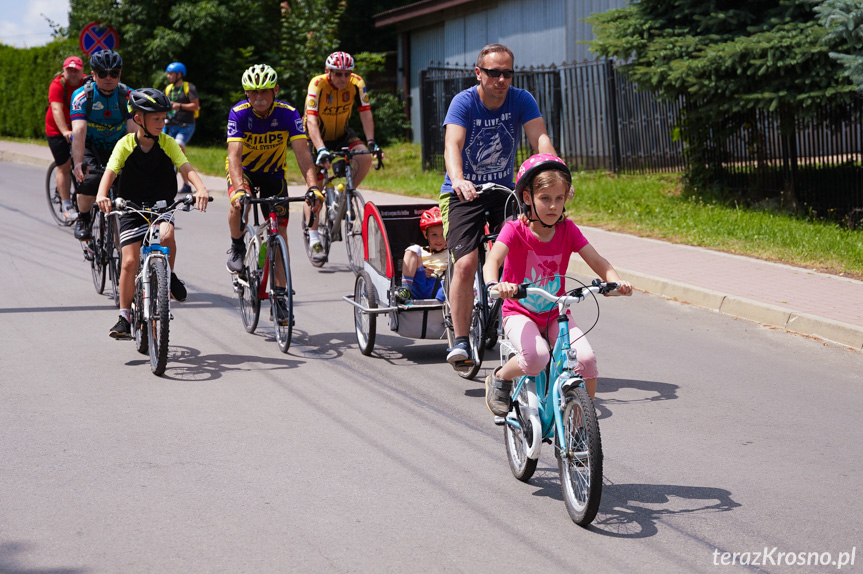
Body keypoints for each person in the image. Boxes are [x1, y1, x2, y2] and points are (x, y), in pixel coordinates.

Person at [482, 154, 632, 416]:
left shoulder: (568, 230)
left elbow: (597, 261)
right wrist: (495, 284)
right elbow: (492, 260)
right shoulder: (515, 230)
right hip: (519, 311)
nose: (553, 206)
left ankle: (581, 423)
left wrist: (614, 282)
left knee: (585, 360)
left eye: (559, 198)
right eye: (545, 199)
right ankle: (501, 377)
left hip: (556, 312)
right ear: (527, 199)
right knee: (537, 358)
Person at [440, 43, 556, 371]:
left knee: (524, 255)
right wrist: (460, 179)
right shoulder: (463, 102)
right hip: (463, 193)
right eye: (493, 73)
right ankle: (461, 339)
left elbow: (540, 138)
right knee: (465, 263)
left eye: (507, 73)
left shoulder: (521, 99)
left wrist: (554, 169)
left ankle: (523, 327)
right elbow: (453, 144)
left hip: (504, 191)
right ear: (479, 73)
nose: (501, 79)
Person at [95, 88, 209, 339]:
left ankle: (167, 276)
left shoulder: (168, 143)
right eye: (156, 118)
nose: (161, 122)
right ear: (139, 119)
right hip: (131, 208)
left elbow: (186, 168)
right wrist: (102, 194)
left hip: (160, 207)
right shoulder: (125, 144)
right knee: (128, 261)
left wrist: (200, 188)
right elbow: (111, 172)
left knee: (167, 236)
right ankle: (124, 316)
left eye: (163, 117)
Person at [224, 64, 322, 308]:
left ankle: (280, 294)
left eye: (265, 92)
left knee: (279, 232)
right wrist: (238, 189)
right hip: (243, 173)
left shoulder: (288, 113)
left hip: (273, 174)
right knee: (239, 204)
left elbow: (302, 153)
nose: (259, 98)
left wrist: (312, 187)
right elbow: (234, 156)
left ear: (275, 90)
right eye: (253, 92)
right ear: (246, 93)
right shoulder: (238, 113)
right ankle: (237, 247)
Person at [303, 51, 378, 261]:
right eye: (338, 74)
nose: (343, 79)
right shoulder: (317, 84)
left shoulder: (357, 83)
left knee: (364, 158)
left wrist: (371, 141)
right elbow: (311, 121)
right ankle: (314, 236)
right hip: (315, 134)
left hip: (342, 133)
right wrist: (320, 148)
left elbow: (365, 112)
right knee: (315, 189)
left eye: (347, 74)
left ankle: (345, 192)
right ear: (328, 72)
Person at [70, 49, 137, 242]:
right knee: (88, 181)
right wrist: (78, 162)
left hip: (117, 146)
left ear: (119, 74)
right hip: (90, 146)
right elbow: (79, 131)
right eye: (102, 73)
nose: (108, 77)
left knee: (128, 184)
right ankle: (83, 218)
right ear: (93, 75)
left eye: (113, 73)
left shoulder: (128, 96)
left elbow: (133, 133)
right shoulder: (81, 96)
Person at [45, 55, 87, 222]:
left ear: (82, 71)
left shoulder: (87, 83)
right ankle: (67, 204)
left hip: (78, 128)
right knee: (64, 165)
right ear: (63, 71)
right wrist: (64, 131)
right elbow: (56, 109)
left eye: (76, 70)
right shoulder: (57, 84)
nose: (73, 74)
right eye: (69, 70)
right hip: (57, 130)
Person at [395, 206, 447, 303]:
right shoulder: (420, 252)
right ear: (425, 234)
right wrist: (421, 271)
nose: (439, 240)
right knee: (413, 249)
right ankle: (406, 291)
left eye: (443, 235)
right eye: (434, 235)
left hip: (443, 287)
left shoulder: (450, 252)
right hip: (420, 284)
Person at [163, 62, 200, 195]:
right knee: (164, 152)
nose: (168, 76)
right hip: (170, 125)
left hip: (186, 126)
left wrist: (179, 105)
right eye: (168, 73)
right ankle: (180, 183)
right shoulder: (168, 89)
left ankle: (186, 183)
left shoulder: (188, 87)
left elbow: (195, 106)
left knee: (178, 147)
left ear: (179, 74)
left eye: (171, 73)